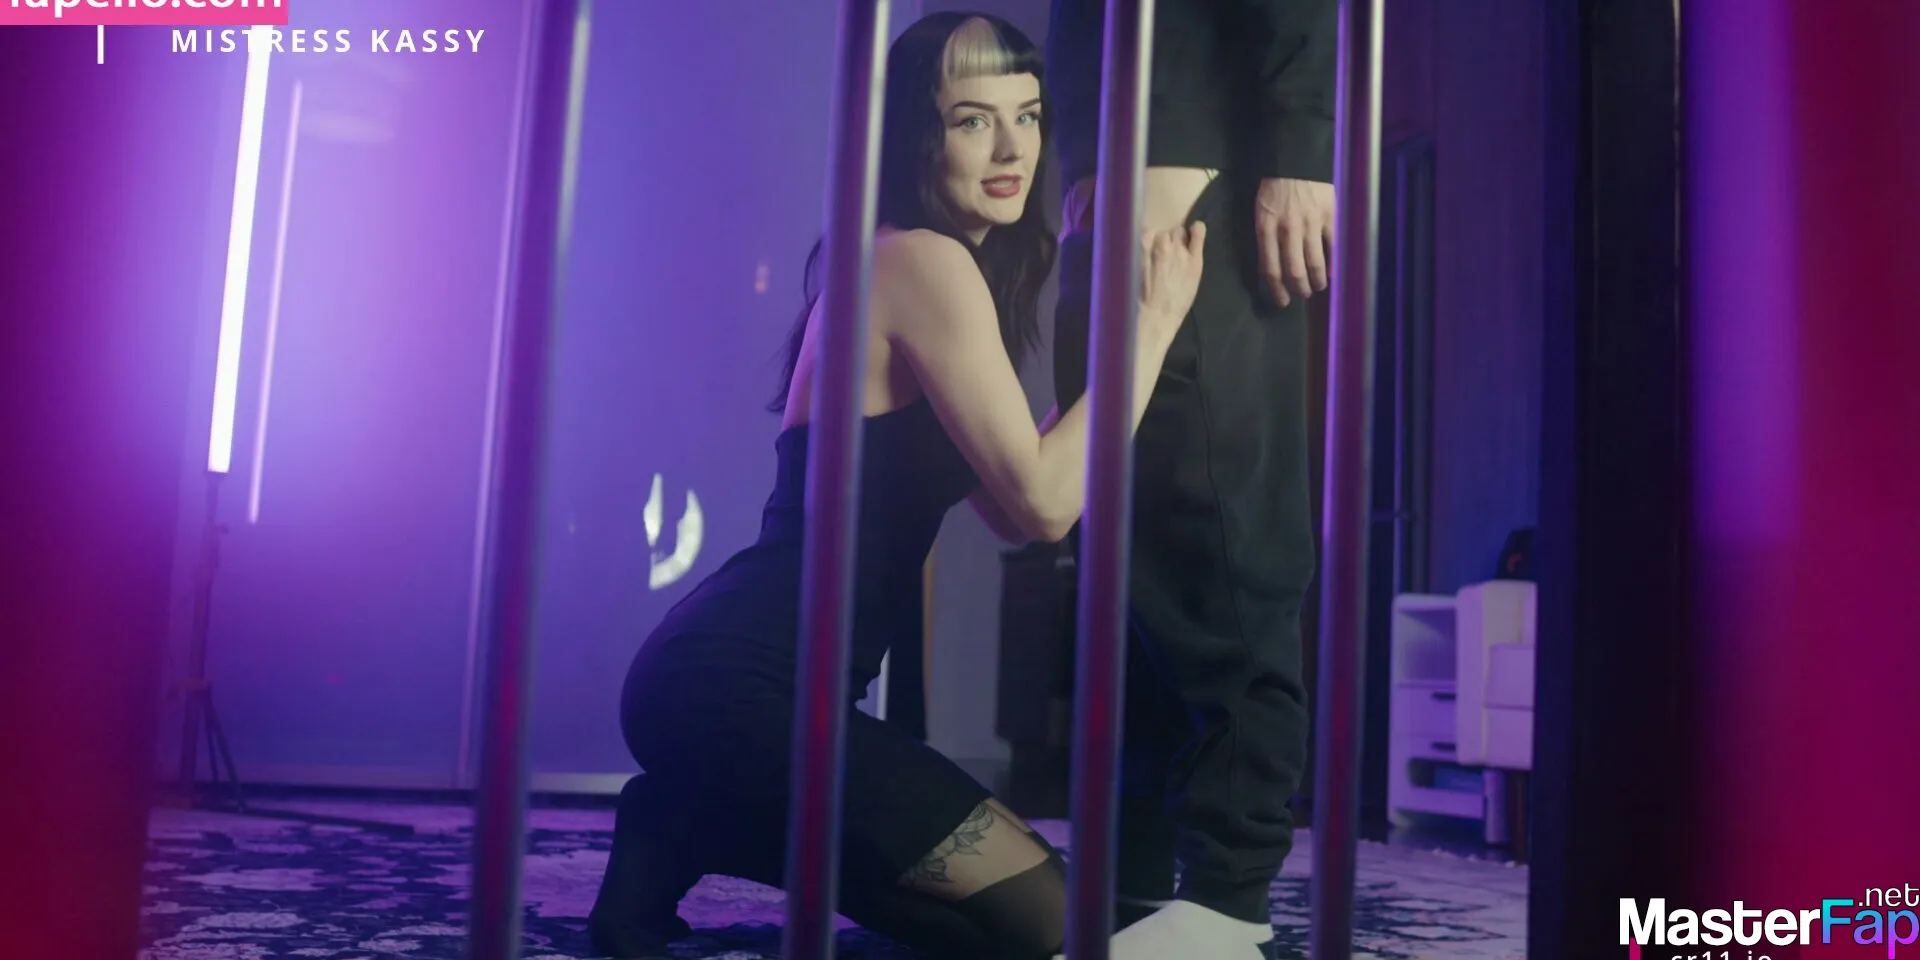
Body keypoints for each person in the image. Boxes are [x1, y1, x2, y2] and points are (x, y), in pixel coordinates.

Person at [586, 12, 1207, 960]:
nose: (1013, 149)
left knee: (1020, 930)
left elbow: (1016, 509)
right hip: (741, 688)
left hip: (762, 692)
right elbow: (1048, 505)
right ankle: (690, 819)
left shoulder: (922, 265)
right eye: (972, 120)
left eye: (1029, 115)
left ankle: (682, 822)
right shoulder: (921, 261)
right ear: (918, 136)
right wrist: (1150, 328)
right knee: (1058, 931)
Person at [1043, 0, 1339, 957]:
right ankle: (1134, 878)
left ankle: (1227, 897)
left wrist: (1302, 147)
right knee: (1130, 570)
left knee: (1223, 542)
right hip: (1112, 199)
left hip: (1194, 198)